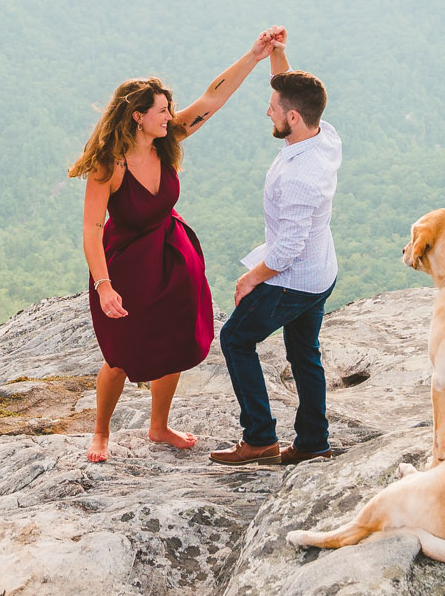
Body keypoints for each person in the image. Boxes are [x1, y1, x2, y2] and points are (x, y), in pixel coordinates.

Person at [70, 29, 285, 464]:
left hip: (172, 258)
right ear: (137, 117)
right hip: (126, 266)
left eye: (169, 111)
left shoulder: (166, 143)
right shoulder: (107, 165)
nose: (170, 117)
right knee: (119, 355)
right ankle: (100, 433)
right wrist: (104, 286)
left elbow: (211, 100)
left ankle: (158, 425)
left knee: (173, 343)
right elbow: (92, 229)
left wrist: (256, 55)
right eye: (162, 111)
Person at [210, 42, 342, 466]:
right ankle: (312, 441)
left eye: (273, 106)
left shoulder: (303, 175)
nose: (267, 111)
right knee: (304, 353)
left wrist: (251, 278)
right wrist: (276, 57)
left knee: (234, 339)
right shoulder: (324, 135)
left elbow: (287, 249)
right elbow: (292, 91)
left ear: (292, 117)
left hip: (294, 281)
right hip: (321, 273)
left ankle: (260, 437)